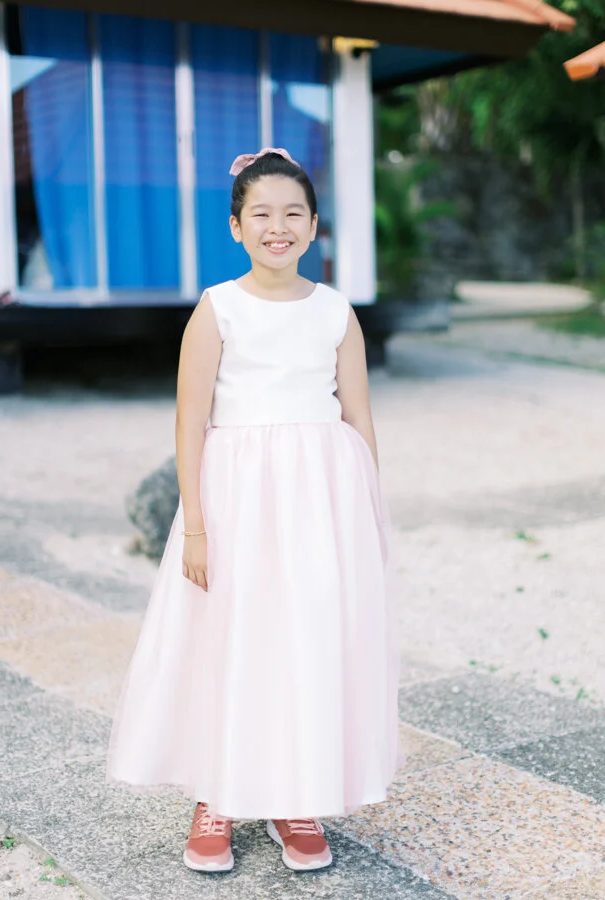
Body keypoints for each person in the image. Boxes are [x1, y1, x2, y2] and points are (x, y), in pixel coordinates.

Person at [105, 148, 404, 874]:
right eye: (261, 214)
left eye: (293, 213)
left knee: (306, 638)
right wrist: (196, 526)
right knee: (232, 638)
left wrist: (367, 511)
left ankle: (294, 794)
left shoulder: (335, 310)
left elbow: (358, 416)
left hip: (321, 499)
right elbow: (190, 422)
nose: (279, 227)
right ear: (236, 226)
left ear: (314, 226)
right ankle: (217, 794)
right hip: (236, 497)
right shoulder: (218, 308)